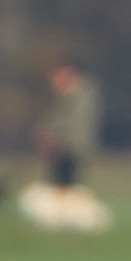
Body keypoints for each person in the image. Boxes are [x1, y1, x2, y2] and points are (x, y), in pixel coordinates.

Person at [35, 61, 102, 190]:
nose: (54, 80)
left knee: (68, 186)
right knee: (59, 183)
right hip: (63, 147)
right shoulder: (66, 95)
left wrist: (54, 136)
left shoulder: (79, 95)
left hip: (70, 147)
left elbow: (74, 122)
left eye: (57, 76)